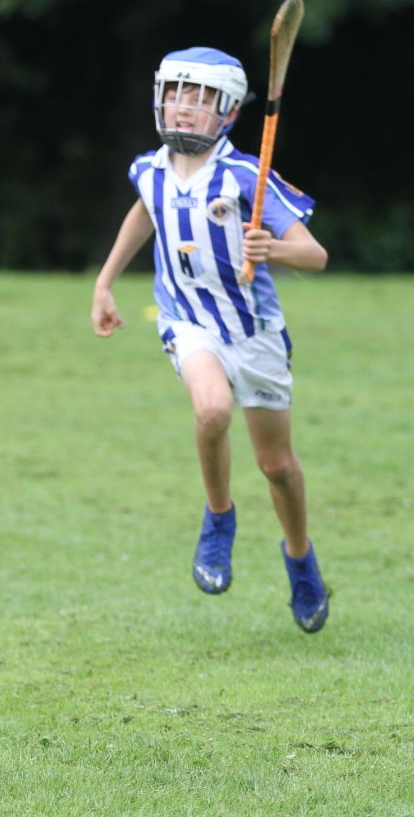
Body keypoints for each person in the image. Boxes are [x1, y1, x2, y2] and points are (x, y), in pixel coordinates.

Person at [90, 47, 330, 633]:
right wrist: (105, 282)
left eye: (199, 99)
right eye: (176, 93)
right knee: (212, 408)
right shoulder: (149, 169)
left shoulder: (246, 176)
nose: (184, 107)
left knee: (277, 467)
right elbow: (144, 214)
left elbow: (315, 255)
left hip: (254, 332)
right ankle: (219, 518)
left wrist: (272, 248)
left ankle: (300, 560)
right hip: (188, 320)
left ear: (226, 113)